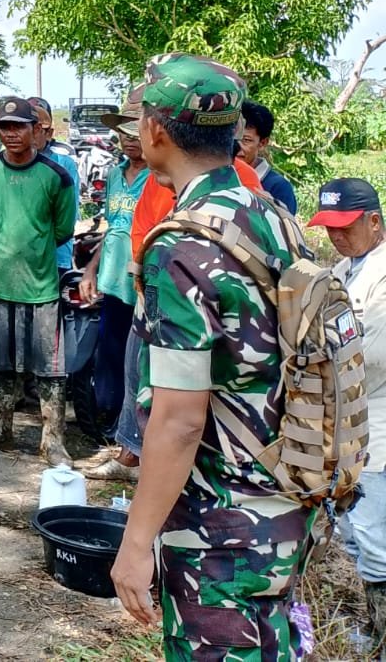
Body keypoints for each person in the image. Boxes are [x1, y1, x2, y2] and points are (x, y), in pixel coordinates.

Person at [112, 55, 314, 660]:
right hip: (284, 496)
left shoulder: (182, 244)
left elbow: (179, 419)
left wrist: (135, 544)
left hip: (220, 522)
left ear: (156, 130)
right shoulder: (273, 218)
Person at [0, 96, 76, 463]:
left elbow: (63, 228)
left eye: (19, 127)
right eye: (5, 127)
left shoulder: (56, 176)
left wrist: (32, 251)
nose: (11, 134)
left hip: (40, 286)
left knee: (50, 369)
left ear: (35, 129)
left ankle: (53, 441)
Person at [312, 178, 386, 645]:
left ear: (374, 221)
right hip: (347, 425)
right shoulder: (343, 269)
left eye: (346, 227)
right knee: (356, 534)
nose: (336, 236)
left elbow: (371, 356)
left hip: (377, 423)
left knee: (376, 542)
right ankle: (374, 628)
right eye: (330, 228)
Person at [79, 87, 149, 482]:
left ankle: (133, 441)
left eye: (135, 131)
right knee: (110, 354)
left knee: (137, 361)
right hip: (112, 279)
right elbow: (112, 227)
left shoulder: (160, 179)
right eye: (123, 132)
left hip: (141, 282)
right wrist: (91, 270)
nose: (128, 139)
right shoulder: (115, 175)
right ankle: (111, 428)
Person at [29, 98, 80, 272]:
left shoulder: (64, 164)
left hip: (56, 255)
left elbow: (69, 214)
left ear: (48, 133)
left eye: (37, 130)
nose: (31, 135)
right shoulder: (8, 165)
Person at [240, 101, 298, 214]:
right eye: (232, 138)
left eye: (246, 140)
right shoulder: (220, 176)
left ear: (262, 143)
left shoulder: (279, 187)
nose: (237, 146)